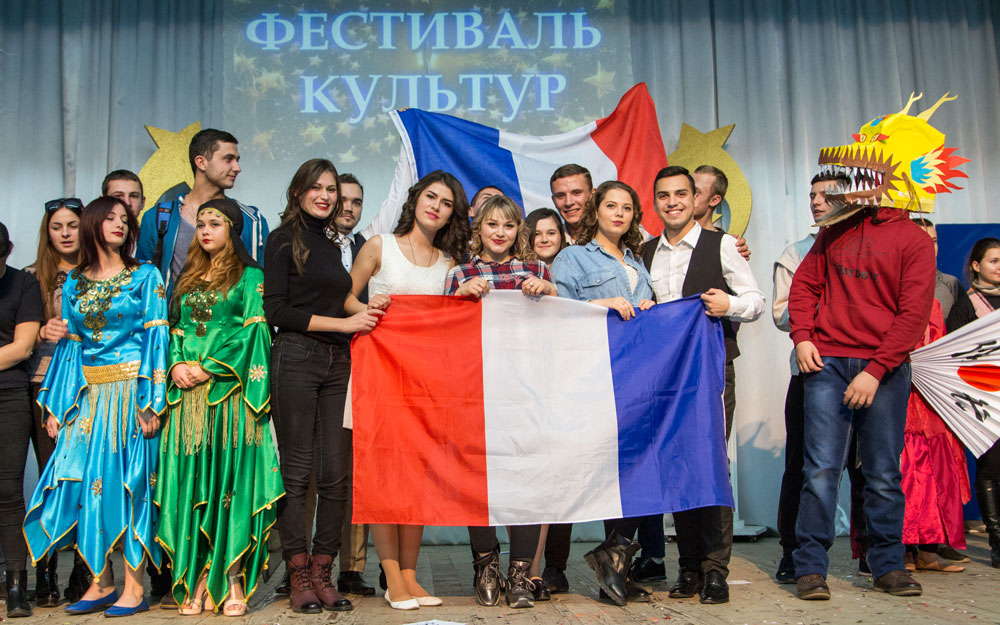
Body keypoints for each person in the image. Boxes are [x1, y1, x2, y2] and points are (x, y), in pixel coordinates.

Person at [24, 196, 168, 617]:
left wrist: (152, 400)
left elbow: (157, 338)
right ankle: (100, 583)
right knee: (86, 485)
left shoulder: (145, 275)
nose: (120, 224)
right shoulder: (74, 281)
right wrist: (58, 405)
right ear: (92, 224)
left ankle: (135, 589)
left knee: (130, 486)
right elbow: (71, 347)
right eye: (110, 218)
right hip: (88, 397)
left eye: (125, 219)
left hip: (130, 395)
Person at [788, 187, 935, 600]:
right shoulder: (837, 227)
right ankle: (810, 568)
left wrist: (876, 370)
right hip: (828, 363)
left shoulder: (915, 239)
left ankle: (887, 565)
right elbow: (804, 286)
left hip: (884, 369)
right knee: (820, 469)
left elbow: (914, 313)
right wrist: (802, 336)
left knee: (882, 472)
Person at [638, 166, 764, 605]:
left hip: (711, 369)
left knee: (709, 464)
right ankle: (689, 567)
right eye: (663, 195)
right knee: (676, 465)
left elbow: (756, 301)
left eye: (680, 194)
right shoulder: (644, 251)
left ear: (696, 199)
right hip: (664, 375)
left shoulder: (722, 244)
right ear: (655, 202)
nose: (672, 202)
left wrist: (730, 304)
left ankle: (715, 571)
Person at [263, 159, 383, 614]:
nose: (326, 195)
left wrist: (372, 309)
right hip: (295, 357)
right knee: (297, 473)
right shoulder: (281, 240)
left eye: (331, 189)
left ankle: (323, 573)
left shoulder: (334, 246)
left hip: (339, 362)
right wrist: (345, 323)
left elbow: (340, 299)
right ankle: (297, 574)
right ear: (298, 192)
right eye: (316, 187)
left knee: (336, 474)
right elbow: (277, 311)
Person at [156, 198, 284, 616]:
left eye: (215, 223)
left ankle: (232, 579)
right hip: (189, 403)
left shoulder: (250, 277)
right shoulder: (188, 278)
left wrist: (207, 368)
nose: (206, 231)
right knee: (193, 487)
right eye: (201, 224)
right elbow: (177, 331)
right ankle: (194, 578)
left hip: (229, 398)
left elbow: (255, 335)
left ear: (233, 230)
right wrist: (177, 364)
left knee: (229, 488)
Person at [349, 170, 470, 611]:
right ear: (415, 199)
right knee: (383, 476)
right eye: (430, 197)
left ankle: (410, 576)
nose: (436, 206)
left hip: (425, 384)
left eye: (446, 203)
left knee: (418, 477)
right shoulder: (378, 246)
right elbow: (346, 299)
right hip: (378, 377)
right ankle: (391, 577)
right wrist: (367, 307)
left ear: (452, 215)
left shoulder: (448, 265)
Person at [444, 194, 554, 609]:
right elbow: (444, 331)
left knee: (527, 478)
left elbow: (560, 322)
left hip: (526, 393)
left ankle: (521, 572)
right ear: (479, 228)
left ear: (517, 231)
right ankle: (486, 565)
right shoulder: (460, 273)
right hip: (477, 393)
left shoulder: (536, 269)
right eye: (493, 224)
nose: (500, 232)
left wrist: (548, 290)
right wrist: (459, 297)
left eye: (509, 225)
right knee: (478, 479)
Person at [551, 180, 655, 607]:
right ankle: (558, 565)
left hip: (636, 377)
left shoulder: (637, 261)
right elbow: (557, 312)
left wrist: (650, 308)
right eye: (611, 205)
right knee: (593, 468)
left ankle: (615, 561)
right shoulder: (571, 257)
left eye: (627, 208)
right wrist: (603, 304)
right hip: (592, 378)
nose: (619, 214)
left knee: (637, 468)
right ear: (596, 210)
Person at [772, 171, 869, 583]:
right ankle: (793, 552)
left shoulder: (869, 247)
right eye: (812, 195)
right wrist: (832, 313)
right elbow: (782, 314)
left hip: (864, 370)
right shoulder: (797, 252)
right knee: (804, 465)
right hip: (812, 371)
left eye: (827, 194)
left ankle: (870, 551)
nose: (816, 201)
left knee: (867, 464)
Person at [23, 199, 83, 607]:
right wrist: (40, 331)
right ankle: (44, 571)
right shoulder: (32, 278)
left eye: (72, 225)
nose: (64, 233)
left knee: (80, 478)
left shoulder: (98, 275)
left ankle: (83, 568)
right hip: (41, 385)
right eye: (56, 226)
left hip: (84, 387)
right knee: (49, 477)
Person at [137, 129, 268, 303]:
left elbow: (263, 285)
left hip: (232, 320)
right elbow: (141, 282)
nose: (237, 168)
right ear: (201, 162)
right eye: (228, 159)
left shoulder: (252, 220)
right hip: (173, 319)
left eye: (237, 160)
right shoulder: (158, 217)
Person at [0, 222, 45, 618]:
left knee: (8, 490)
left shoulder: (23, 284)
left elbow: (22, 346)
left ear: (8, 251)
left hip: (8, 394)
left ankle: (16, 585)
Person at [947, 237, 1000, 568]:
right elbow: (955, 354)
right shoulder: (966, 305)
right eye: (994, 261)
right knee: (992, 465)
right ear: (976, 266)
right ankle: (997, 541)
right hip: (985, 399)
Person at [549, 164, 593, 245]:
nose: (568, 202)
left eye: (576, 193)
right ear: (553, 200)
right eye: (560, 196)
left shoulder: (611, 238)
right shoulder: (550, 244)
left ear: (592, 195)